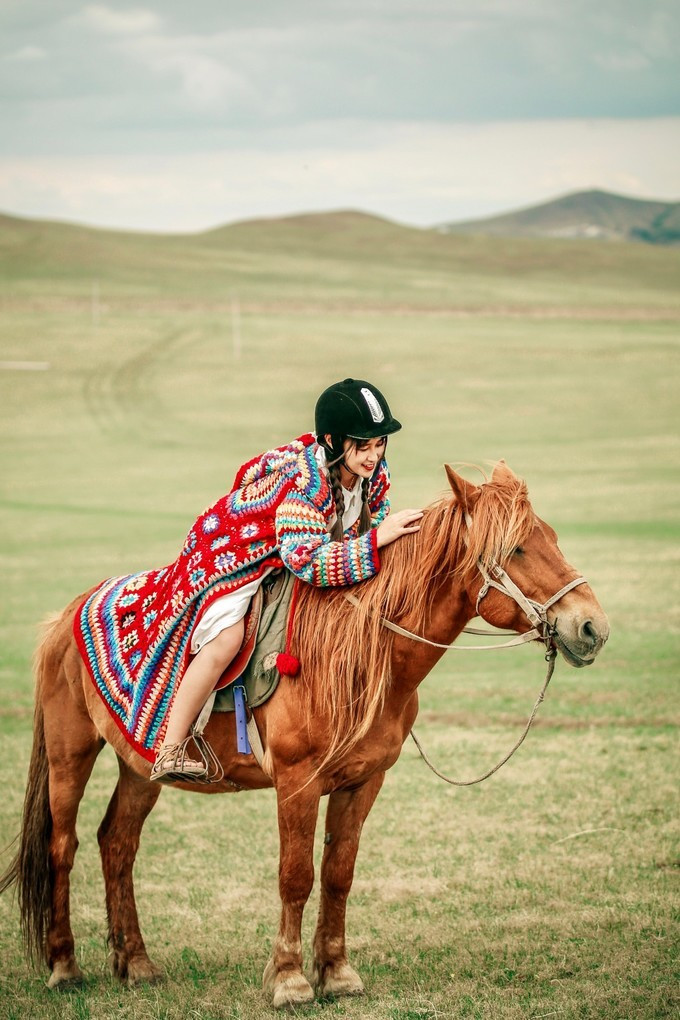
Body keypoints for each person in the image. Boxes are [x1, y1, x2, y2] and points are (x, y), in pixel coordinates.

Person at [149, 377, 422, 781]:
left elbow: (370, 523)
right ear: (332, 441)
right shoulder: (304, 483)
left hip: (294, 552)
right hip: (235, 555)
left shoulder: (375, 475)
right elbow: (306, 560)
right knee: (226, 639)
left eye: (379, 443)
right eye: (362, 445)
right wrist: (376, 541)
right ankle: (171, 747)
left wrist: (381, 540)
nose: (373, 455)